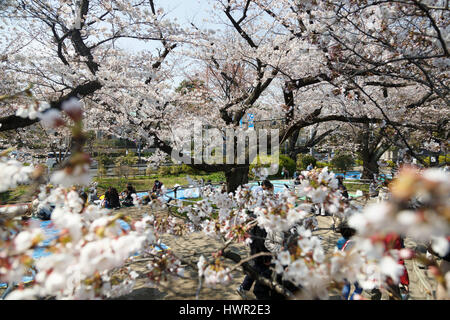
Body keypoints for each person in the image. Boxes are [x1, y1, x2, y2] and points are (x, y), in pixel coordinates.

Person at [337, 223, 363, 300]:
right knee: (359, 288)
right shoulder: (354, 243)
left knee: (346, 286)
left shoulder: (341, 241)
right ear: (352, 232)